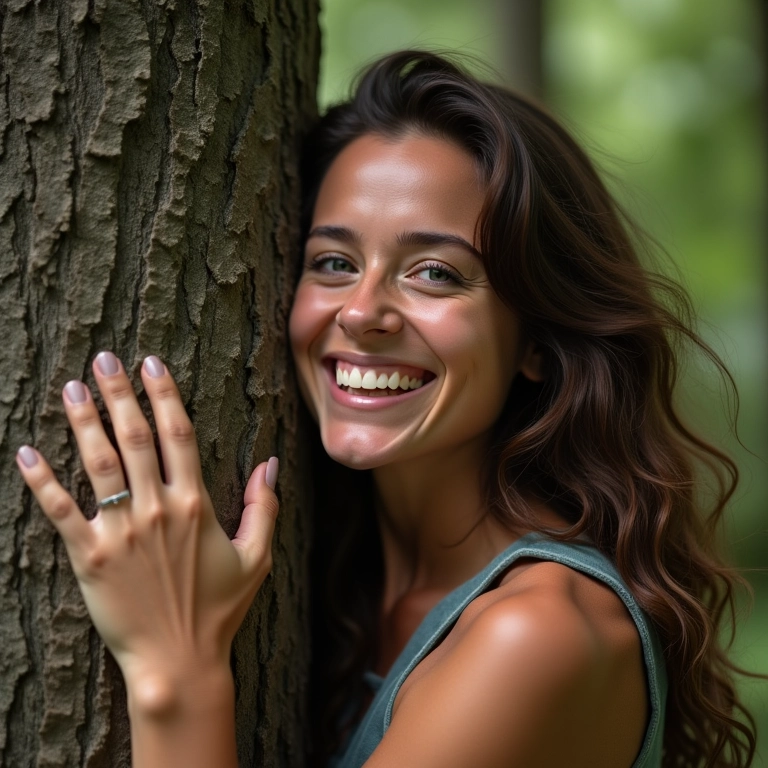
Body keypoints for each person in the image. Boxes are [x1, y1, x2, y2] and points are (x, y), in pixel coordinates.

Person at [15, 51, 757, 767]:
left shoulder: (537, 634)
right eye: (334, 262)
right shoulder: (343, 577)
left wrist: (175, 665)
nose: (364, 311)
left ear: (536, 337)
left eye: (435, 274)